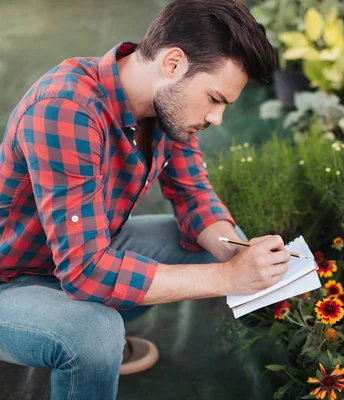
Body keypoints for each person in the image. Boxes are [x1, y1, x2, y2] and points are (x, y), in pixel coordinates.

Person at [0, 0, 290, 398]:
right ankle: (86, 344)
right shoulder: (65, 109)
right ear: (173, 63)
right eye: (215, 99)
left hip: (82, 250)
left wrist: (238, 257)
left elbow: (194, 196)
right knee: (94, 331)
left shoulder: (168, 107)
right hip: (12, 280)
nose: (217, 118)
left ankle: (93, 348)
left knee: (218, 244)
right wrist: (227, 279)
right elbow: (85, 272)